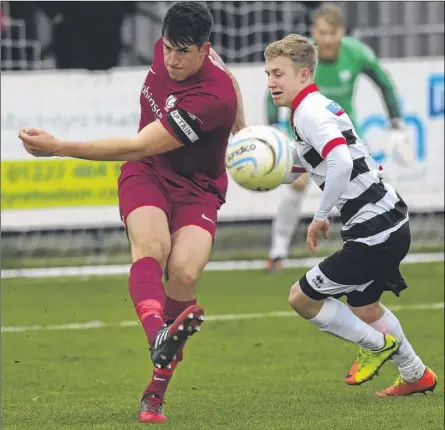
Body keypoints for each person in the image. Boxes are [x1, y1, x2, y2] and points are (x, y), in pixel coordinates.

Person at [18, 2, 246, 423]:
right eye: (167, 49)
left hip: (198, 189)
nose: (172, 60)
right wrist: (245, 130)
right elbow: (142, 156)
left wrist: (60, 147)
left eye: (183, 52)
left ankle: (155, 391)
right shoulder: (183, 56)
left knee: (184, 274)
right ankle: (158, 337)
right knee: (152, 247)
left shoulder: (209, 100)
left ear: (203, 50)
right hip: (148, 175)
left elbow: (138, 142)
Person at [264, 33, 437, 396]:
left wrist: (320, 213)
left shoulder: (309, 113)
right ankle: (415, 374)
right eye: (268, 74)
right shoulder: (311, 109)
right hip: (390, 221)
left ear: (304, 75)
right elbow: (319, 164)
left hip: (375, 232)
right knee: (365, 306)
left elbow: (340, 161)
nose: (271, 82)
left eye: (279, 73)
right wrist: (263, 168)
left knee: (301, 298)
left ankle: (377, 346)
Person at [265, 2, 410, 272]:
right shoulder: (303, 57)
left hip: (344, 133)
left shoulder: (357, 53)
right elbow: (274, 87)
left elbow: (384, 82)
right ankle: (277, 251)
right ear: (314, 32)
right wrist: (273, 127)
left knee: (366, 186)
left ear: (342, 32)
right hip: (305, 134)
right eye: (321, 33)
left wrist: (396, 122)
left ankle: (378, 241)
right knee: (297, 185)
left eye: (332, 33)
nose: (327, 39)